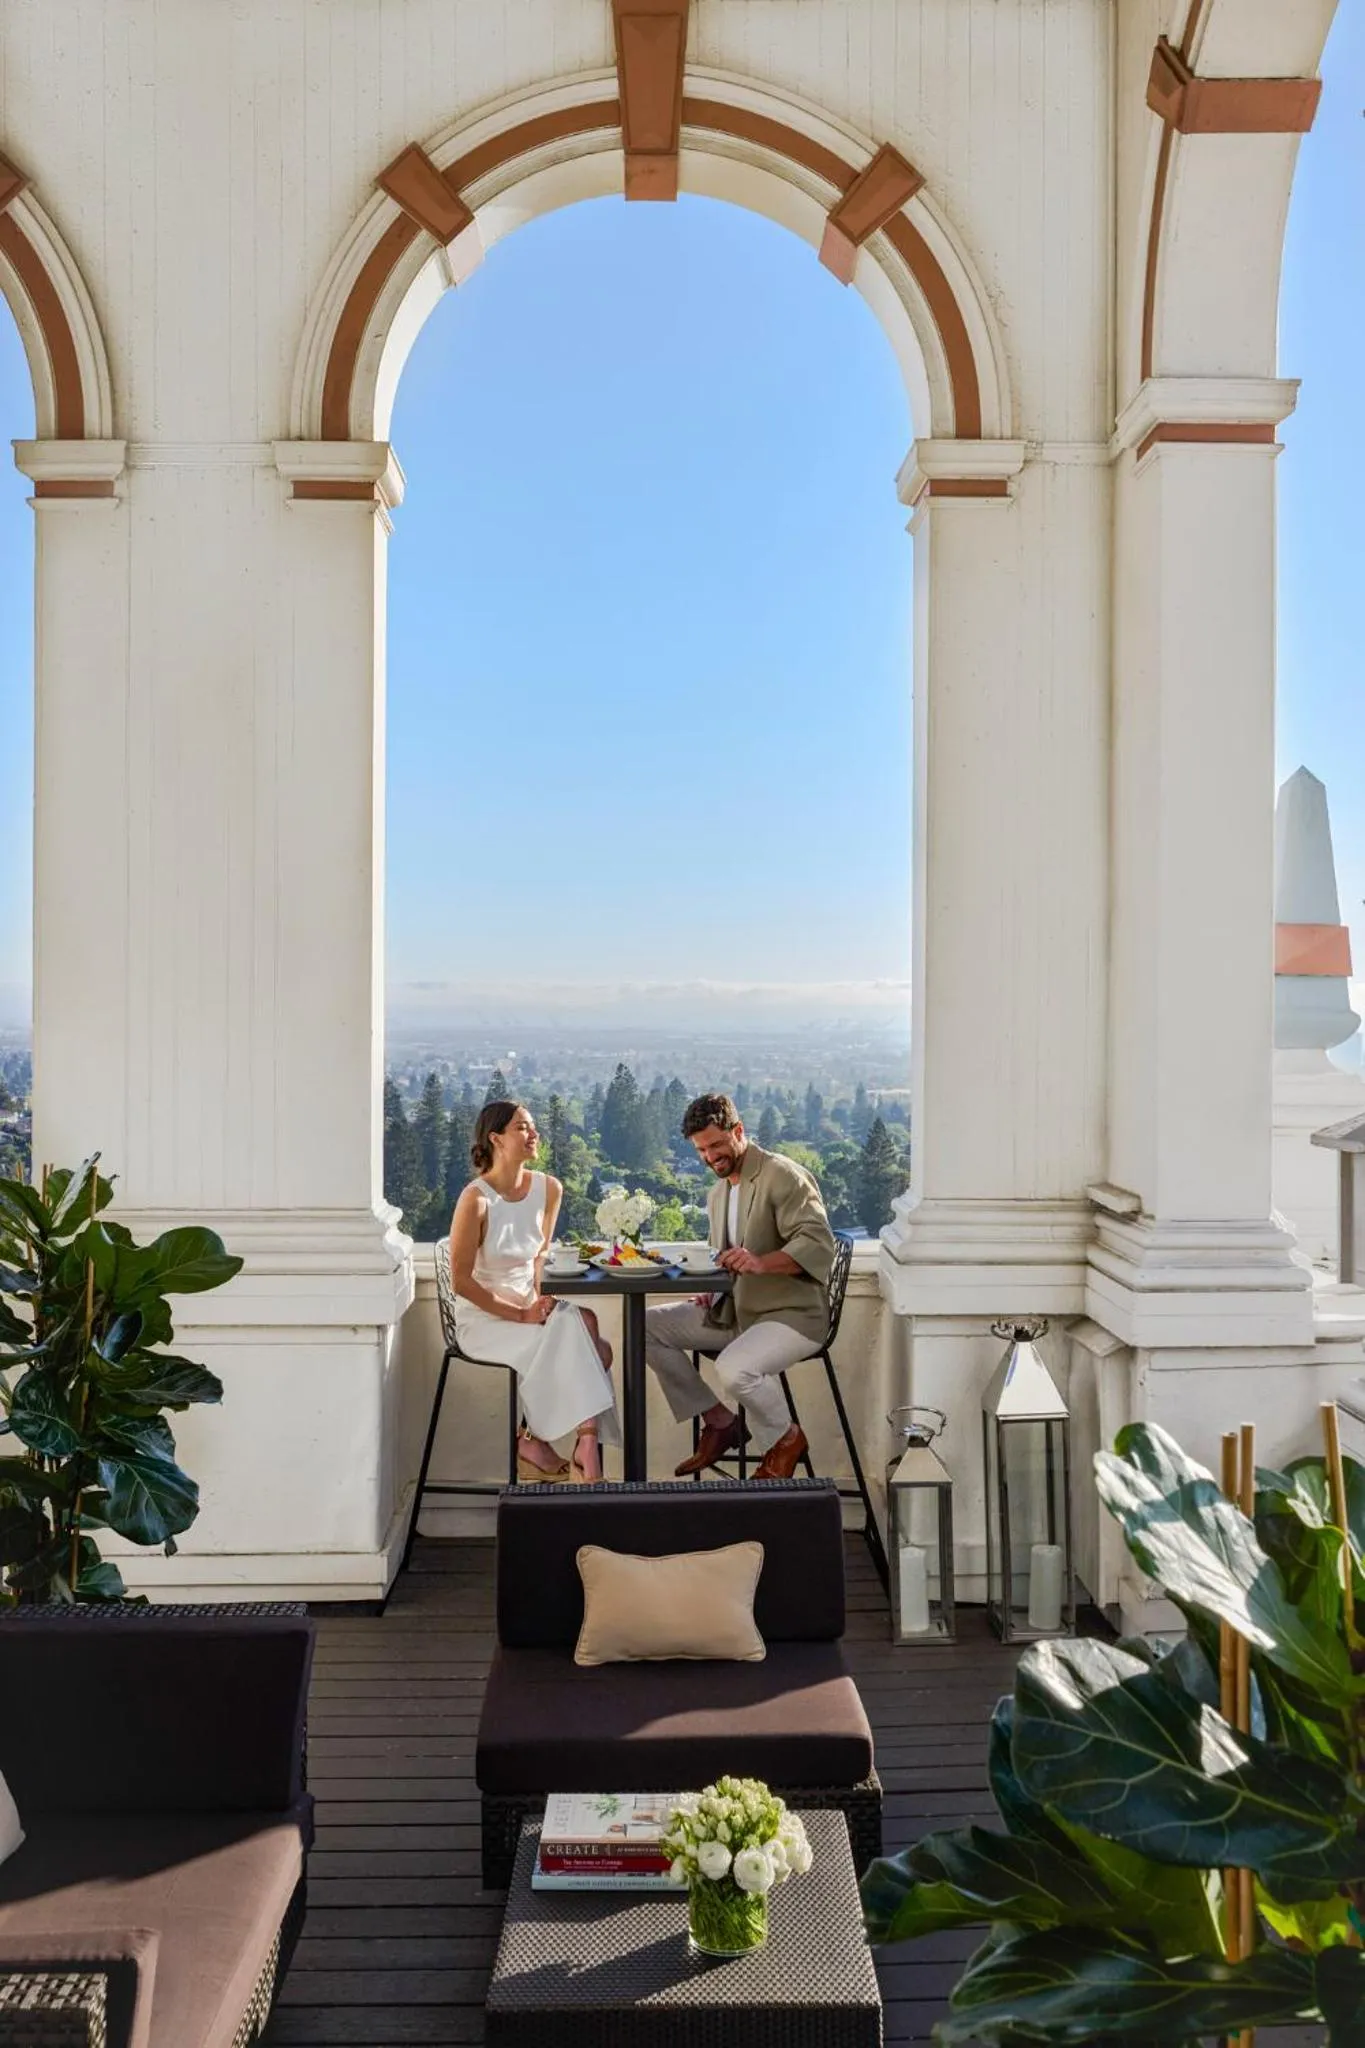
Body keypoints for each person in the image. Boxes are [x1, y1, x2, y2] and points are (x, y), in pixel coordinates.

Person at [644, 1092, 835, 1479]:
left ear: (739, 1131)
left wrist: (761, 1262)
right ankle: (719, 1422)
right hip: (736, 1312)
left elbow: (817, 1244)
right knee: (644, 1328)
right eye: (701, 1149)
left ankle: (785, 1440)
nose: (709, 1156)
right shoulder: (718, 1193)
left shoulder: (781, 1175)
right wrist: (714, 1289)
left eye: (716, 1144)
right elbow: (727, 1258)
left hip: (792, 1315)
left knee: (734, 1368)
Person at [449, 1099, 618, 1483]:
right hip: (486, 1319)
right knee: (595, 1348)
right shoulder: (475, 1199)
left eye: (532, 1125)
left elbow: (539, 1257)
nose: (533, 1133)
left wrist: (540, 1305)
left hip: (528, 1308)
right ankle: (583, 1452)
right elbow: (461, 1282)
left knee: (586, 1330)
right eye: (522, 1127)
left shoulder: (549, 1188)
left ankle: (539, 1441)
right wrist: (522, 1315)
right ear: (496, 1139)